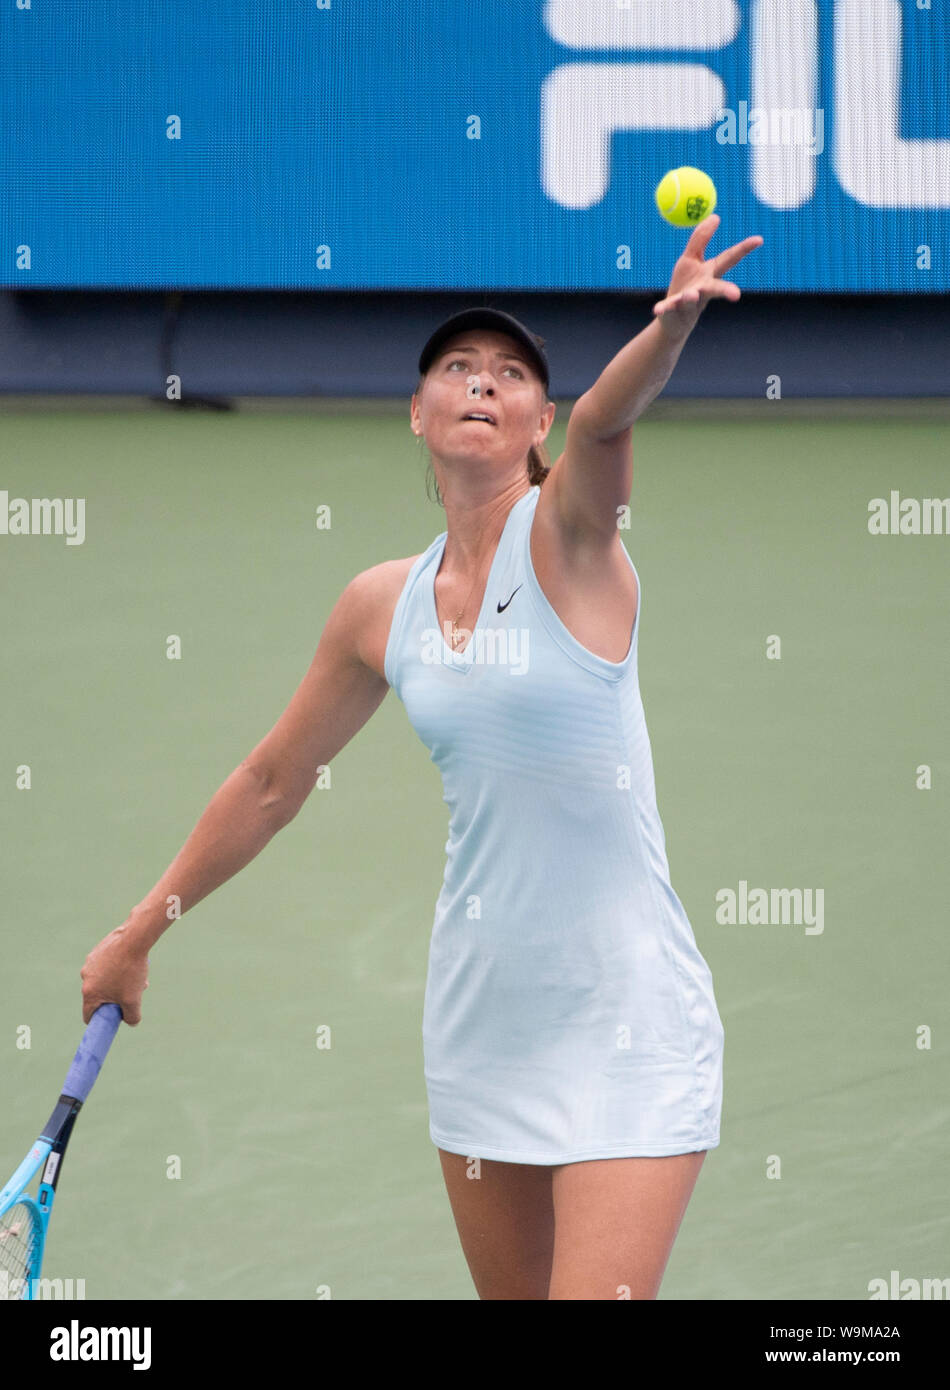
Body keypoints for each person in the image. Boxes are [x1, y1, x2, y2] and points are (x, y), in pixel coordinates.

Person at [81, 214, 763, 1300]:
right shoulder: (377, 606)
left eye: (508, 374)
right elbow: (272, 780)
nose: (481, 385)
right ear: (417, 411)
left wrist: (668, 330)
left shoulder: (572, 540)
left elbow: (604, 428)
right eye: (456, 369)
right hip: (480, 1026)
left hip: (629, 1021)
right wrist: (138, 930)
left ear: (539, 416)